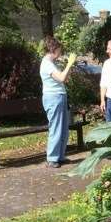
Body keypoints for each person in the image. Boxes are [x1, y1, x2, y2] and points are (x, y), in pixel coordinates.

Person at [40, 36, 76, 168]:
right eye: (59, 49)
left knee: (63, 128)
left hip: (59, 97)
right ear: (53, 49)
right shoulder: (47, 64)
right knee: (56, 127)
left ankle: (60, 156)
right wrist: (69, 64)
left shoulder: (52, 64)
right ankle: (52, 158)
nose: (60, 52)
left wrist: (68, 67)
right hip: (53, 98)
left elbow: (64, 79)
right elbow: (61, 78)